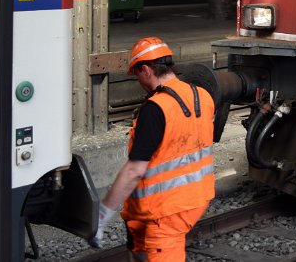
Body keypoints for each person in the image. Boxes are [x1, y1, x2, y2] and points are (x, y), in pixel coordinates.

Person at [89, 37, 215, 260]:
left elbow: (135, 170)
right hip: (196, 197)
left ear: (146, 69)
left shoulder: (156, 108)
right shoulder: (202, 96)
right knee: (137, 238)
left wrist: (103, 214)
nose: (138, 80)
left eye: (137, 74)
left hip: (166, 212)